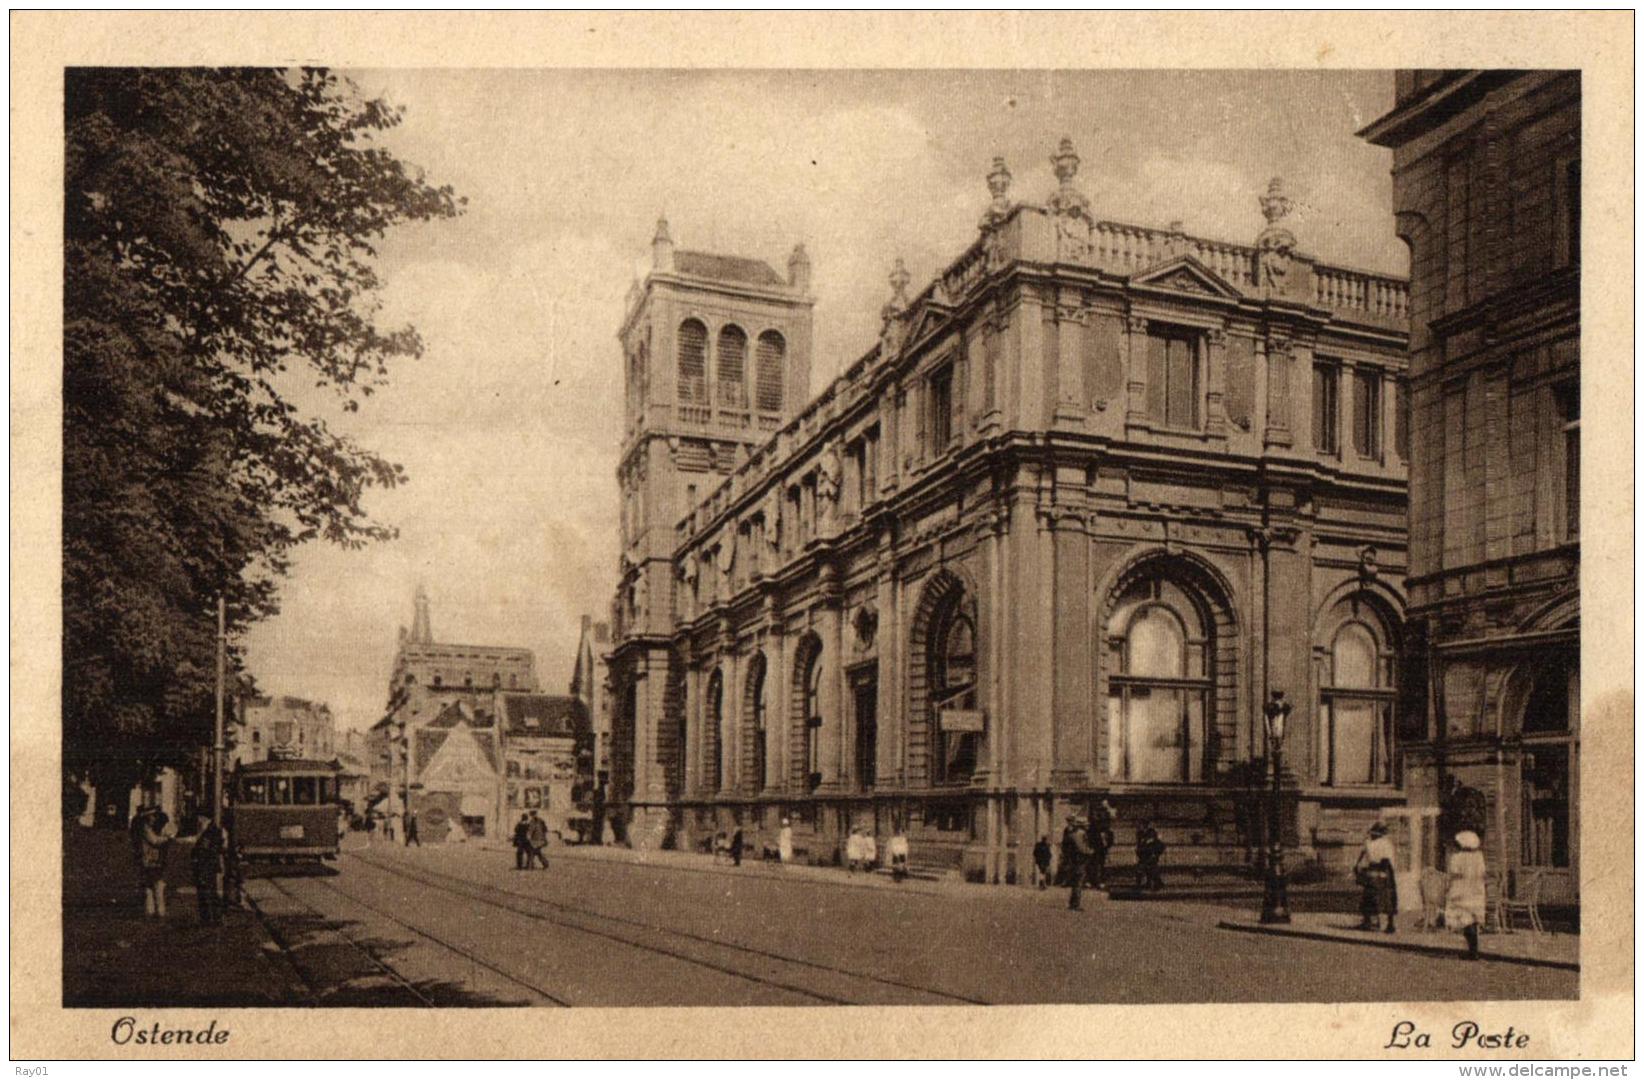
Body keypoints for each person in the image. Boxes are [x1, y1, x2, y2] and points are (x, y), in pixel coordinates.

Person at [1445, 830, 1488, 960]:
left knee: (1464, 919)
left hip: (1461, 890)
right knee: (1473, 919)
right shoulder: (1479, 857)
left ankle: (1472, 951)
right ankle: (1474, 950)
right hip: (1476, 889)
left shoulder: (1457, 857)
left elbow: (1453, 873)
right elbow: (1483, 873)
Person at [1354, 821, 1400, 932]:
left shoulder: (1368, 843)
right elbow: (1389, 859)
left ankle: (1369, 921)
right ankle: (1389, 923)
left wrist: (1358, 866)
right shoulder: (1386, 843)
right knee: (1387, 898)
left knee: (1370, 897)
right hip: (1385, 871)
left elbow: (1361, 857)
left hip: (1372, 872)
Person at [139, 809, 176, 917]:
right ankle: (159, 910)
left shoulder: (149, 828)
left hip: (150, 860)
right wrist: (167, 839)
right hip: (150, 860)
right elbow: (154, 841)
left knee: (151, 886)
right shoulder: (146, 829)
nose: (154, 819)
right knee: (157, 885)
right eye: (152, 817)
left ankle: (151, 910)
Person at [190, 814, 225, 926]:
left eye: (200, 818)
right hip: (209, 866)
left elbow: (203, 849)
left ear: (205, 819)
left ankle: (209, 919)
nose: (198, 821)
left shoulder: (209, 832)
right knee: (211, 892)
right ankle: (214, 918)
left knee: (206, 893)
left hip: (206, 866)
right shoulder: (213, 830)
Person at [1087, 799, 1116, 891]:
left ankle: (1099, 881)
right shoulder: (1094, 829)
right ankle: (1095, 881)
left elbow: (1109, 839)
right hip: (1096, 846)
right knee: (1095, 864)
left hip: (1100, 847)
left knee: (1100, 864)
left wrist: (1107, 846)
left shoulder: (1105, 830)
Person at [1065, 817, 1093, 911]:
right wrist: (1090, 851)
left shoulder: (1072, 834)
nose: (1088, 826)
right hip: (1079, 861)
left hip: (1073, 861)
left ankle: (1072, 903)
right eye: (1086, 824)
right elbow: (1081, 848)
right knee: (1078, 883)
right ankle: (1076, 904)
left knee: (1075, 883)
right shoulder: (1080, 834)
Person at [1135, 820, 1166, 892]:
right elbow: (1140, 845)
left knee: (1150, 869)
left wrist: (1154, 854)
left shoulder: (1151, 833)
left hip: (1151, 854)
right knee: (1145, 869)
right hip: (1144, 855)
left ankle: (1156, 883)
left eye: (1141, 825)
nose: (1139, 827)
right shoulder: (1140, 834)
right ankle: (1152, 883)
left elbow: (1152, 844)